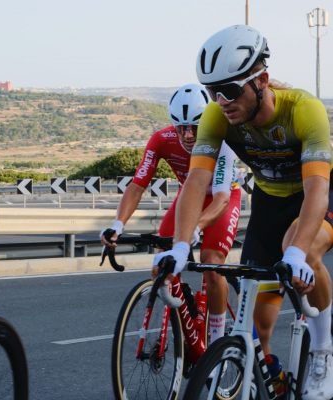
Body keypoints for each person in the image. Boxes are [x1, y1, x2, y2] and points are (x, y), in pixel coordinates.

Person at [155, 25, 333, 399]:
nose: (221, 101)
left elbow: (317, 189)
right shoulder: (217, 116)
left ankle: (322, 350)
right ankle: (273, 380)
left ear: (261, 80)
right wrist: (181, 246)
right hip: (269, 203)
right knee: (260, 326)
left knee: (300, 248)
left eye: (230, 90)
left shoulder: (304, 110)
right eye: (212, 92)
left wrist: (297, 253)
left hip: (317, 196)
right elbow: (196, 183)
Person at [101, 83, 242, 344]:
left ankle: (216, 343)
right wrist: (117, 225)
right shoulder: (161, 140)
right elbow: (137, 185)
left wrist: (195, 229)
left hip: (222, 198)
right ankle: (182, 325)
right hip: (189, 197)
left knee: (212, 263)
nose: (188, 135)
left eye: (195, 127)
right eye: (181, 128)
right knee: (161, 261)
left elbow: (221, 199)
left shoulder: (221, 140)